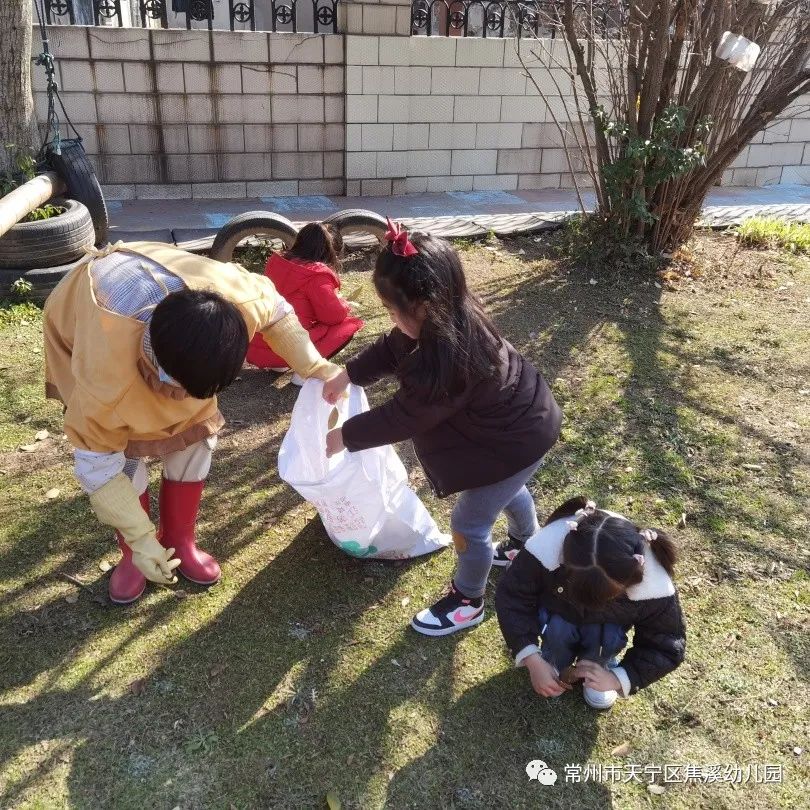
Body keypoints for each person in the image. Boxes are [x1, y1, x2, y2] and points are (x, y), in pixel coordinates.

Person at [43, 240, 343, 605]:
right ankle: (132, 556)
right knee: (124, 455)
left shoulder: (238, 300)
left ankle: (180, 540)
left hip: (160, 281)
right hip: (86, 307)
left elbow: (278, 313)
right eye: (183, 387)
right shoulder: (104, 378)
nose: (186, 400)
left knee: (197, 432)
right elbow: (99, 467)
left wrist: (315, 367)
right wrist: (140, 541)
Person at [322, 220, 562, 636]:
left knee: (469, 524)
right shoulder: (449, 315)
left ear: (426, 306)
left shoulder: (451, 360)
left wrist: (346, 435)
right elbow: (392, 346)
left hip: (516, 440)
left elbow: (404, 416)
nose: (392, 320)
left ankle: (468, 600)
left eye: (394, 311)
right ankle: (526, 542)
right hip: (525, 426)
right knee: (505, 486)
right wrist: (349, 373)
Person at [495, 497, 686, 709]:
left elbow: (666, 645)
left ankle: (599, 668)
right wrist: (532, 658)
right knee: (560, 628)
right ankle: (553, 662)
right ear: (564, 560)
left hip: (608, 631)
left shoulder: (654, 586)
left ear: (630, 581)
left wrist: (617, 679)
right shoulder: (545, 549)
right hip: (559, 615)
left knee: (606, 635)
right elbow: (512, 597)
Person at [246, 223, 364, 378]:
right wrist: (343, 303)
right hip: (291, 346)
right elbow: (333, 316)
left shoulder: (276, 261)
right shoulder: (317, 275)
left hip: (258, 344)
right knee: (349, 325)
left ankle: (280, 366)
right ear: (333, 252)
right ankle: (307, 372)